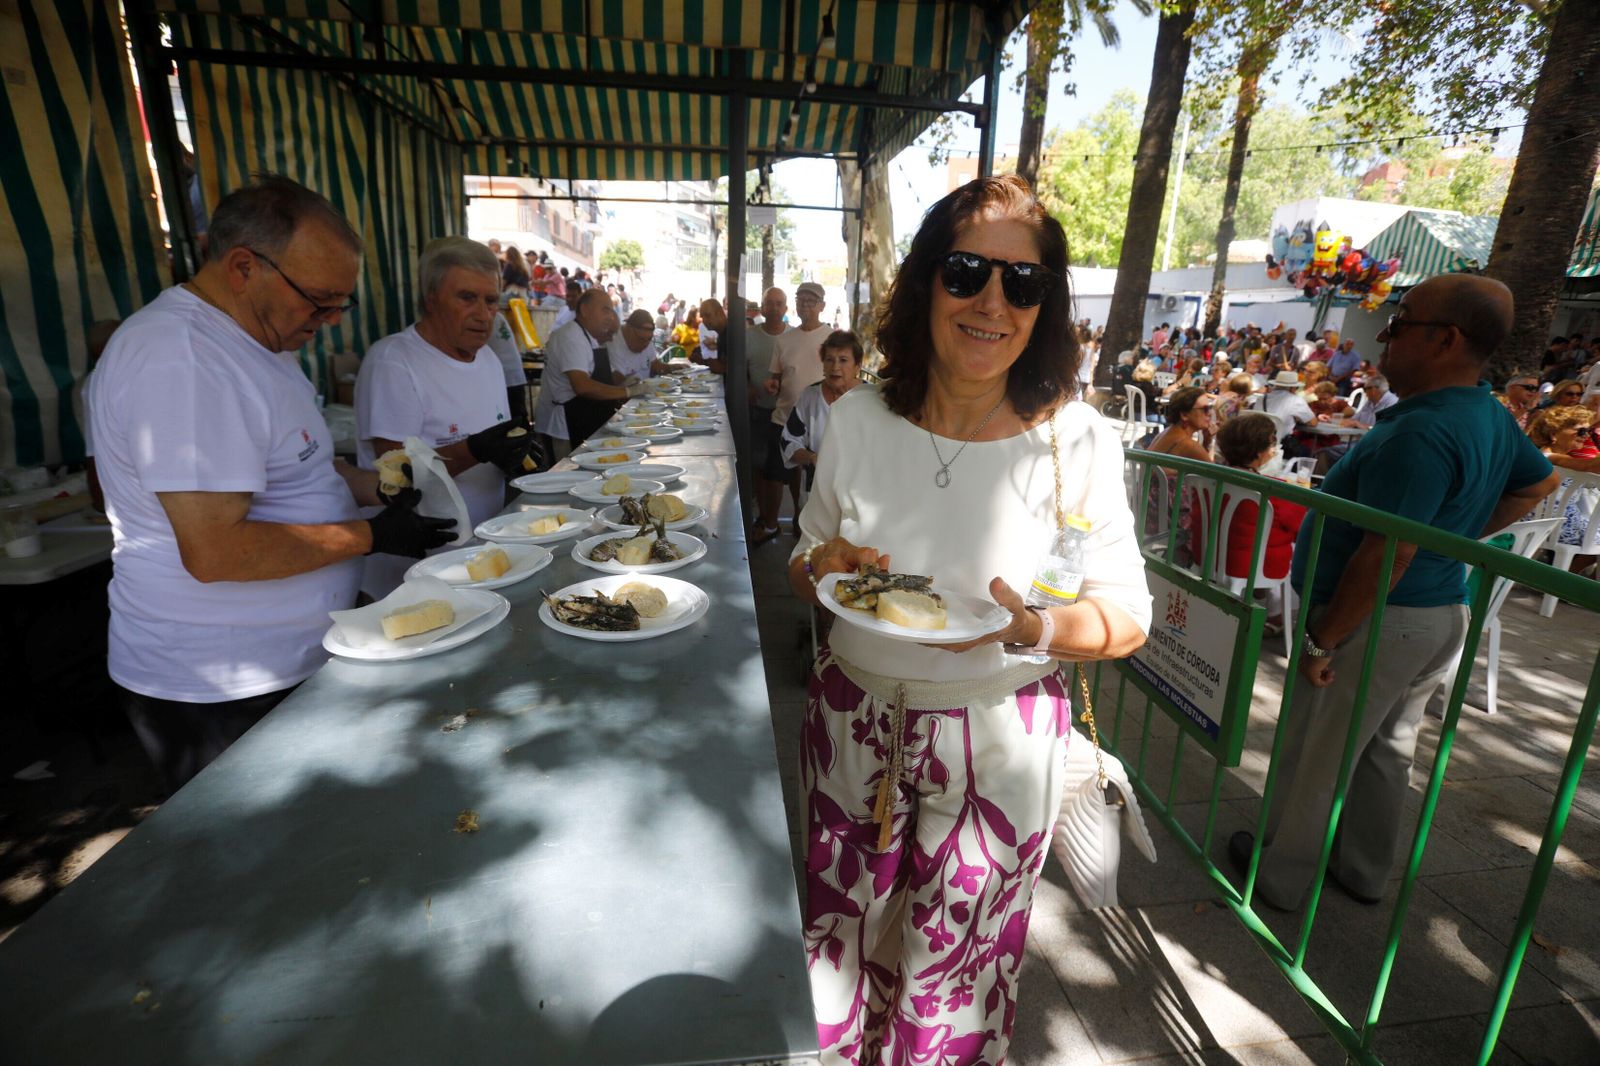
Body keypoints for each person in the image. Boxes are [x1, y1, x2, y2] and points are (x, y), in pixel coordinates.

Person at [787, 175, 1150, 1063]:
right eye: (965, 272)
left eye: (1022, 284)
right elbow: (807, 561)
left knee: (958, 966)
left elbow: (1127, 617)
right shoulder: (859, 418)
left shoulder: (1080, 443)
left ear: (1045, 304)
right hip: (853, 722)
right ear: (924, 284)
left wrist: (1039, 631)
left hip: (998, 735)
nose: (993, 301)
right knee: (839, 944)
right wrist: (820, 567)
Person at [87, 175, 455, 791]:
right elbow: (216, 551)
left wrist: (376, 488)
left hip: (290, 655)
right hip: (221, 682)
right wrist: (374, 537)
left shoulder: (261, 344)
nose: (333, 321)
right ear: (242, 267)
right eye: (319, 300)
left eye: (344, 303)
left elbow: (300, 469)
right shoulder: (185, 359)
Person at [1229, 275, 1560, 911]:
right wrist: (1453, 536)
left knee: (1321, 750)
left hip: (1380, 621)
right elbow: (1534, 485)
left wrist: (1325, 638)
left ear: (1446, 339)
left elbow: (1387, 555)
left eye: (1400, 322)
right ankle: (1361, 869)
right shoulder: (1482, 413)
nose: (1384, 335)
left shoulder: (1423, 431)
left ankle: (1281, 877)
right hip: (1433, 615)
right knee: (1385, 749)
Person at [356, 237, 537, 594]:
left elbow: (493, 449)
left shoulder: (487, 359)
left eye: (490, 301)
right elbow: (393, 476)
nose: (484, 314)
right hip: (416, 572)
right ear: (431, 298)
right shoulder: (394, 361)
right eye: (467, 298)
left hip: (481, 558)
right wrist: (476, 450)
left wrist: (516, 458)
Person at [1195, 412, 1309, 631]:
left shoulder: (1205, 477)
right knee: (1299, 549)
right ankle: (1277, 616)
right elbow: (1299, 526)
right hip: (1249, 566)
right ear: (1260, 451)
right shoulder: (1271, 490)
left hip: (1207, 557)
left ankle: (1266, 605)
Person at [532, 287, 636, 459]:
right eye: (605, 310)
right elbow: (582, 386)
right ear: (585, 310)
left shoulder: (588, 337)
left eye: (611, 310)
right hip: (564, 424)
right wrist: (629, 391)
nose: (610, 316)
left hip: (581, 417)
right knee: (567, 475)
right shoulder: (571, 336)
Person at [764, 281, 829, 529]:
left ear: (822, 306)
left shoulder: (832, 338)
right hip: (783, 417)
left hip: (818, 422)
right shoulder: (784, 340)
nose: (805, 305)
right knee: (775, 475)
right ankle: (771, 524)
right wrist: (771, 384)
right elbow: (777, 378)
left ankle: (804, 524)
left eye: (811, 301)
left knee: (809, 481)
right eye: (801, 299)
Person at [779, 329, 864, 485]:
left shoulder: (871, 399)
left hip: (859, 489)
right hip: (817, 486)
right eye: (829, 360)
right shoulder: (810, 397)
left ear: (858, 365)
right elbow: (789, 440)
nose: (835, 367)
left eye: (843, 360)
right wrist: (811, 458)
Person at [747, 287, 791, 540]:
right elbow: (738, 370)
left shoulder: (794, 336)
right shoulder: (749, 335)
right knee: (760, 467)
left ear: (786, 308)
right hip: (759, 412)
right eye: (769, 303)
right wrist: (749, 387)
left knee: (790, 472)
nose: (774, 308)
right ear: (762, 308)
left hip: (788, 415)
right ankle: (765, 517)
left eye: (779, 303)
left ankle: (794, 516)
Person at [1146, 385, 1214, 463]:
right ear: (1184, 415)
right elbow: (1216, 473)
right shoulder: (1189, 445)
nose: (1210, 413)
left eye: (1210, 408)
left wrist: (1206, 441)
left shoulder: (1166, 432)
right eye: (1205, 409)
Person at [609, 308, 671, 382]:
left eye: (649, 339)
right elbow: (617, 380)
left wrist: (672, 368)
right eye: (641, 339)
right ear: (628, 330)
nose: (645, 345)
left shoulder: (646, 340)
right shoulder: (613, 343)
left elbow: (655, 364)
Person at [1263, 370, 1315, 435]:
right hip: (1279, 442)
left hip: (1256, 440)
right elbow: (1313, 422)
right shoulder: (1296, 400)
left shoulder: (1261, 398)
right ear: (1292, 387)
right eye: (1296, 388)